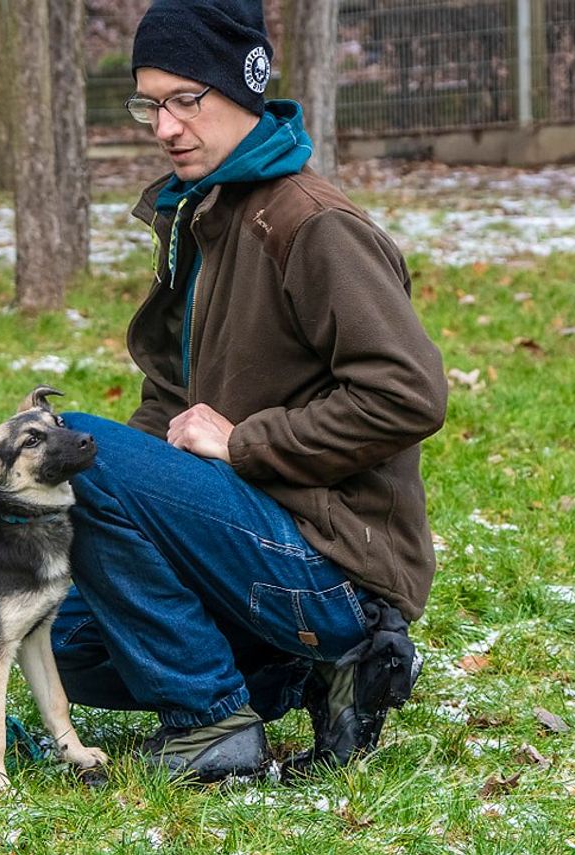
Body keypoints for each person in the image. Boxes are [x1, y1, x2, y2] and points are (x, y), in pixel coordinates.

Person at [50, 0, 448, 782]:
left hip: (335, 559)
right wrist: (102, 529)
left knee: (70, 448)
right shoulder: (207, 214)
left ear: (246, 86)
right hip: (251, 540)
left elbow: (409, 393)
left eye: (184, 100)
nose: (164, 127)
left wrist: (243, 442)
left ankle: (217, 720)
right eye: (150, 104)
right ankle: (296, 675)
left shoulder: (312, 223)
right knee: (56, 639)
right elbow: (166, 406)